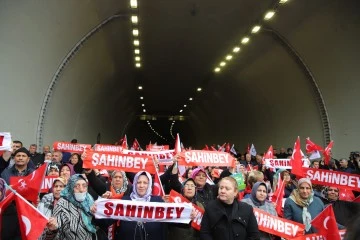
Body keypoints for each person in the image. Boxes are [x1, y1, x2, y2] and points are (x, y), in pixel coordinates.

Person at [113, 171, 167, 240]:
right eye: (139, 182)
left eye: (145, 183)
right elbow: (107, 220)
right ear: (135, 183)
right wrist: (99, 207)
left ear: (149, 184)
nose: (141, 186)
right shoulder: (125, 201)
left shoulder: (158, 202)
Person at [44, 174, 99, 239]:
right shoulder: (62, 204)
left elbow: (100, 224)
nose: (81, 190)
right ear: (71, 188)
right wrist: (53, 229)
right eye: (77, 186)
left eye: (84, 186)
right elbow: (52, 232)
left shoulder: (90, 200)